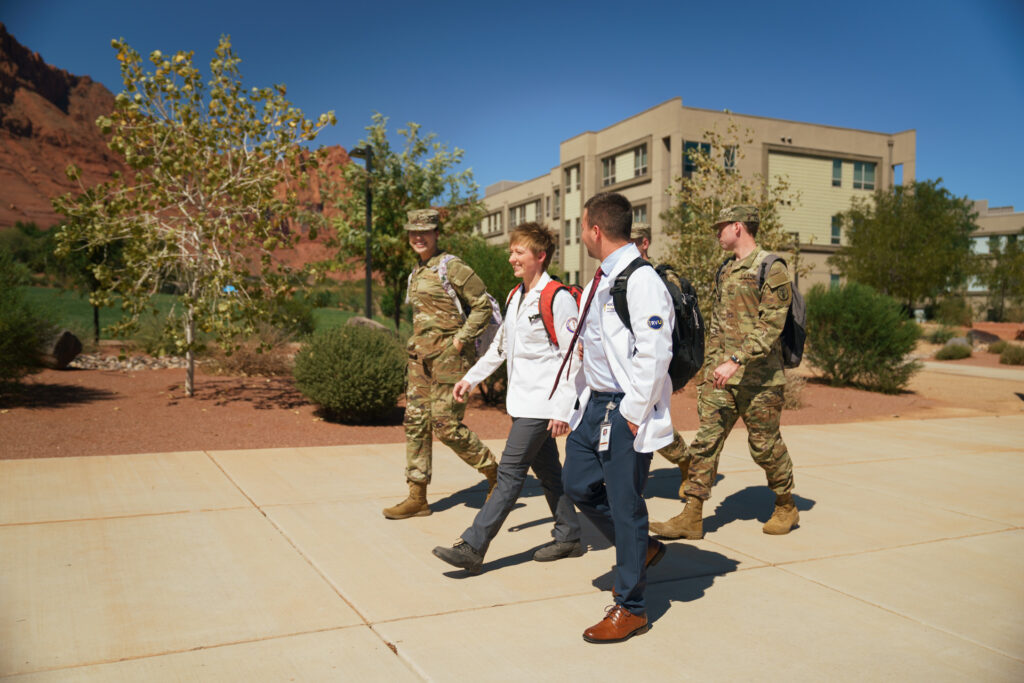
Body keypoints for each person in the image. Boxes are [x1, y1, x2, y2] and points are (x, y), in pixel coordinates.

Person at [432, 222, 584, 574]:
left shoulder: (557, 299)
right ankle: (570, 536)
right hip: (522, 403)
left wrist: (562, 408)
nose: (511, 256)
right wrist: (470, 379)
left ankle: (473, 545)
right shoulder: (516, 297)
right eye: (511, 250)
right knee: (549, 474)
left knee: (509, 475)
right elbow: (500, 348)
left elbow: (574, 356)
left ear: (540, 256)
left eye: (519, 251)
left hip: (541, 406)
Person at [560, 192, 675, 644]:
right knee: (576, 484)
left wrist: (631, 413)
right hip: (594, 405)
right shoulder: (601, 278)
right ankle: (642, 547)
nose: (582, 233)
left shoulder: (640, 279)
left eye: (583, 225)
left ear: (595, 230)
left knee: (626, 508)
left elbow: (656, 350)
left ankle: (631, 608)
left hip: (624, 408)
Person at [649, 205, 798, 540]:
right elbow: (717, 324)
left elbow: (771, 324)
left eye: (721, 227)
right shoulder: (726, 269)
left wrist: (736, 359)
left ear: (738, 226)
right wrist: (709, 368)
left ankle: (785, 503)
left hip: (760, 379)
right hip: (721, 378)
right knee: (706, 443)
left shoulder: (771, 267)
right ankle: (692, 516)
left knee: (764, 446)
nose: (717, 233)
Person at [382, 209, 498, 520]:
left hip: (450, 361)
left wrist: (460, 341)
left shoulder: (452, 266)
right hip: (419, 362)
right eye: (413, 233)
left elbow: (482, 305)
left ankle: (495, 474)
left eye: (425, 232)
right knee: (416, 424)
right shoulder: (418, 270)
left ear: (436, 234)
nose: (418, 237)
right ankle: (417, 497)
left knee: (446, 427)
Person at [630, 223, 690, 497]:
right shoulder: (619, 276)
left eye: (632, 241)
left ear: (644, 243)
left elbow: (666, 334)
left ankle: (687, 462)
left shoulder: (654, 280)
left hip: (651, 366)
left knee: (650, 424)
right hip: (625, 367)